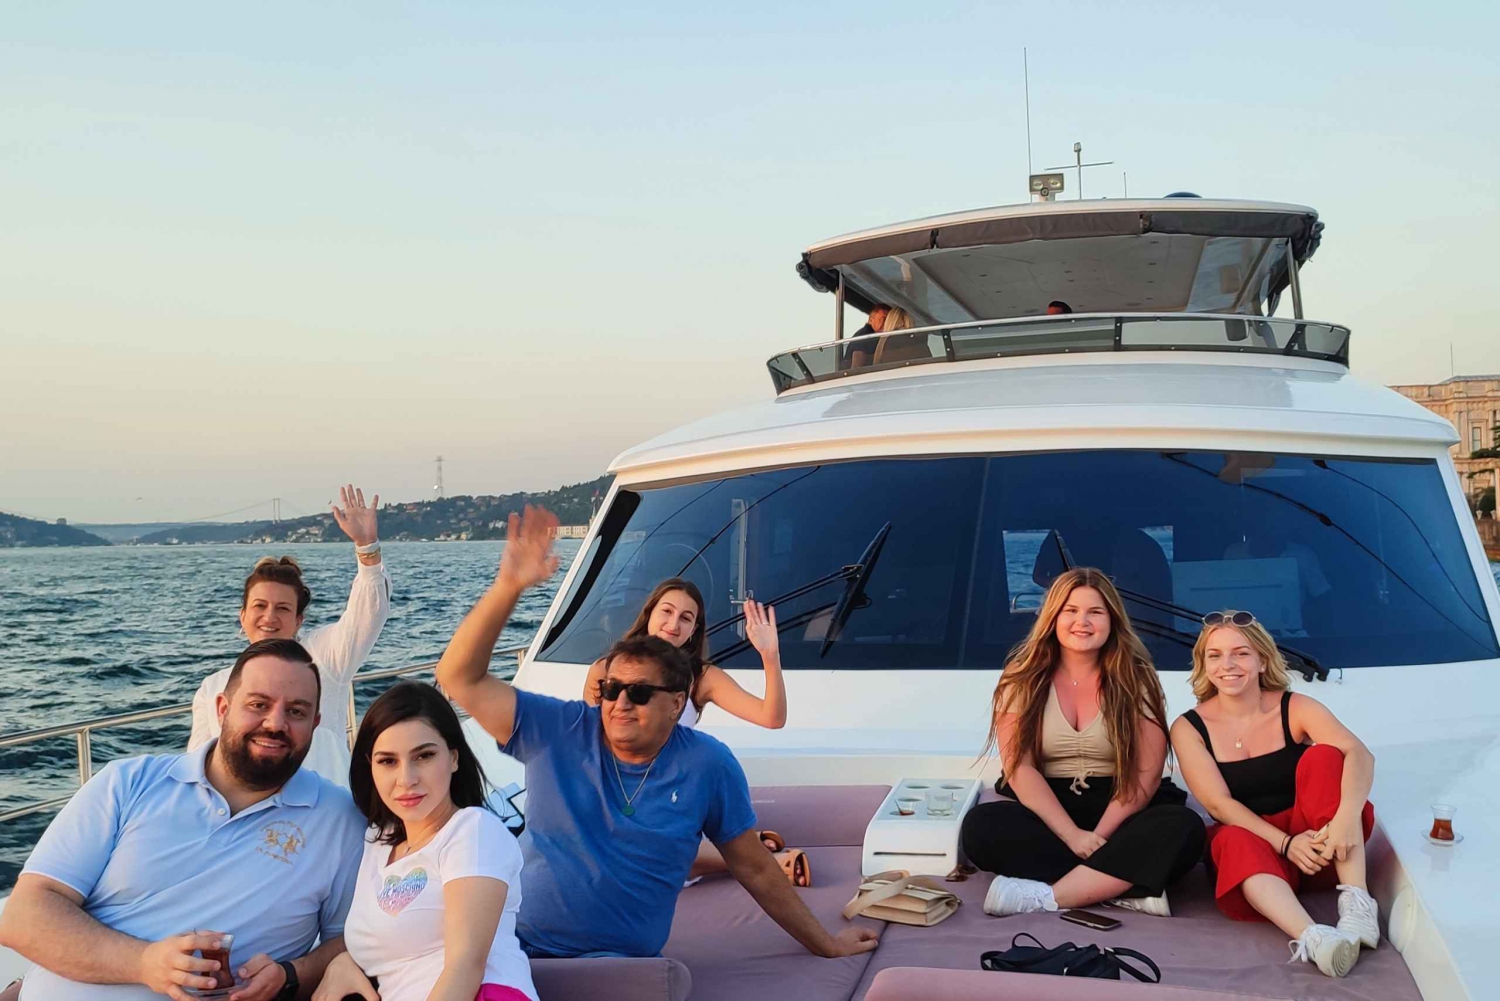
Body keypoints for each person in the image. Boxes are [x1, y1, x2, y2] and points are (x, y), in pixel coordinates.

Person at [435, 505, 880, 961]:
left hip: (619, 966)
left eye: (640, 693)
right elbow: (458, 678)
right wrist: (508, 588)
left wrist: (826, 944)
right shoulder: (561, 728)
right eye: (612, 689)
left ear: (676, 704)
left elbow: (756, 870)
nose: (620, 703)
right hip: (512, 949)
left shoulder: (707, 764)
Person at [0, 639, 366, 1001]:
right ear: (222, 709)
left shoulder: (339, 820)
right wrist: (144, 963)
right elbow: (23, 916)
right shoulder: (127, 783)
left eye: (297, 712)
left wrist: (291, 975)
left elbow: (353, 941)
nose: (275, 723)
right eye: (258, 704)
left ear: (315, 724)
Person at [959, 567, 1205, 919]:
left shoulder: (1136, 677)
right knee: (981, 828)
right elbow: (1020, 769)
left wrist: (1097, 837)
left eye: (1095, 612)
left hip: (1120, 806)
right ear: (1052, 617)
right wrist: (1073, 835)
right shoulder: (1021, 677)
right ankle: (1125, 887)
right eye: (1070, 610)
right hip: (1049, 806)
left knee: (1182, 827)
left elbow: (1145, 774)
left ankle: (1049, 896)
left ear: (1112, 620)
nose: (1082, 622)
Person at [1169, 612, 1377, 979]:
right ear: (1204, 665)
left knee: (1326, 757)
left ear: (1262, 660)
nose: (1227, 665)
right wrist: (1285, 844)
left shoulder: (1294, 707)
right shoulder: (1189, 727)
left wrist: (1346, 817)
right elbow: (1218, 804)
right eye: (1215, 655)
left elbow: (1359, 754)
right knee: (1230, 837)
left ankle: (1357, 903)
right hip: (1259, 861)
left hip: (1322, 848)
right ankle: (1315, 939)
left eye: (1241, 653)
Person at [315, 682, 536, 1001]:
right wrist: (343, 963)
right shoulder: (378, 842)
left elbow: (465, 966)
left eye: (424, 756)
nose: (407, 779)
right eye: (388, 761)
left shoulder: (472, 831)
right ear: (370, 767)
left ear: (454, 758)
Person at [190, 485, 391, 785]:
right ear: (242, 616)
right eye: (260, 606)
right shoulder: (213, 687)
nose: (269, 617)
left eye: (283, 608)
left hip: (324, 805)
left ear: (298, 620)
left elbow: (368, 615)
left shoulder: (323, 659)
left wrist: (367, 547)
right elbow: (196, 764)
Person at [581, 579, 786, 730]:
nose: (673, 625)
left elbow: (771, 718)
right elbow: (588, 739)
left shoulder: (702, 677)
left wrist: (770, 655)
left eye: (685, 618)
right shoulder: (604, 670)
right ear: (650, 613)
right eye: (667, 611)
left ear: (693, 630)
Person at [846, 303, 891, 369]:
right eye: (883, 319)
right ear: (871, 320)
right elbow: (856, 366)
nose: (886, 323)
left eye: (888, 320)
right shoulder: (865, 336)